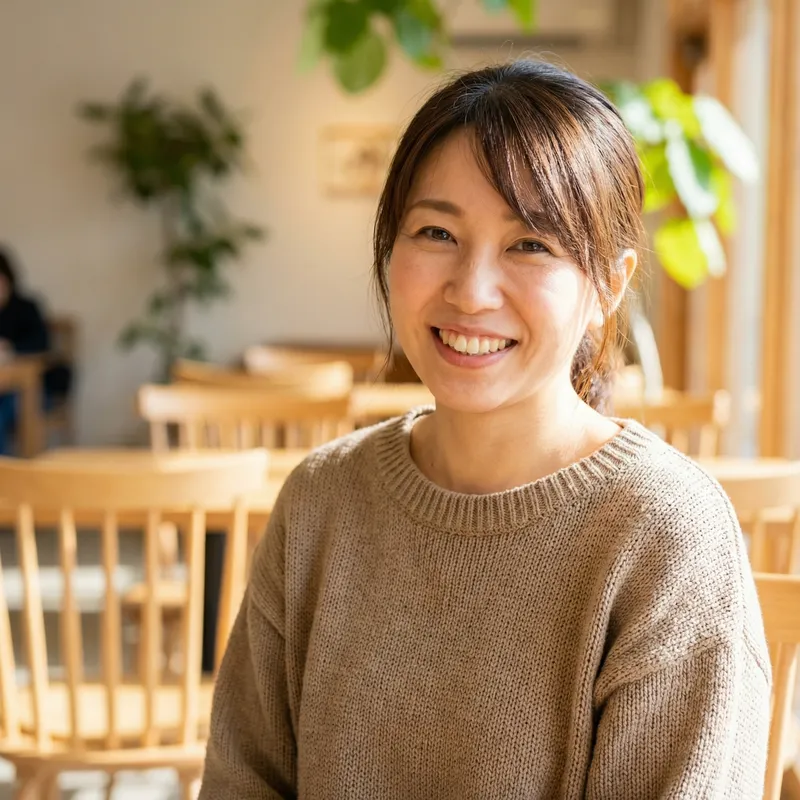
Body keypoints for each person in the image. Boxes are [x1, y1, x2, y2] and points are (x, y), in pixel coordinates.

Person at [199, 61, 771, 798]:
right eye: (436, 231)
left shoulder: (664, 534)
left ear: (608, 286)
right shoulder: (322, 500)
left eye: (529, 245)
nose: (470, 291)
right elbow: (242, 782)